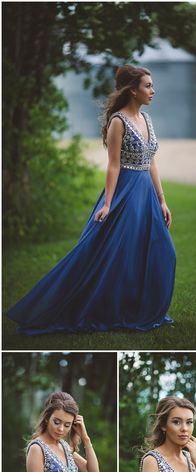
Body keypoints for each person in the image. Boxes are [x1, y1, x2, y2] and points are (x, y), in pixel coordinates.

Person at [8, 64, 176, 335]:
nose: (153, 91)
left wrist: (162, 200)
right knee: (114, 255)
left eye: (152, 85)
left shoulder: (147, 120)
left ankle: (142, 308)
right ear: (133, 90)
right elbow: (112, 166)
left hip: (146, 193)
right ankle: (95, 308)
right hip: (126, 192)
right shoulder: (118, 122)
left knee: (160, 252)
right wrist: (108, 204)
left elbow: (151, 162)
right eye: (147, 86)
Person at [26, 391, 99, 472]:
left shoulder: (65, 447)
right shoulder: (37, 448)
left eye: (67, 425)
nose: (61, 429)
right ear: (47, 417)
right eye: (57, 422)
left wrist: (85, 438)